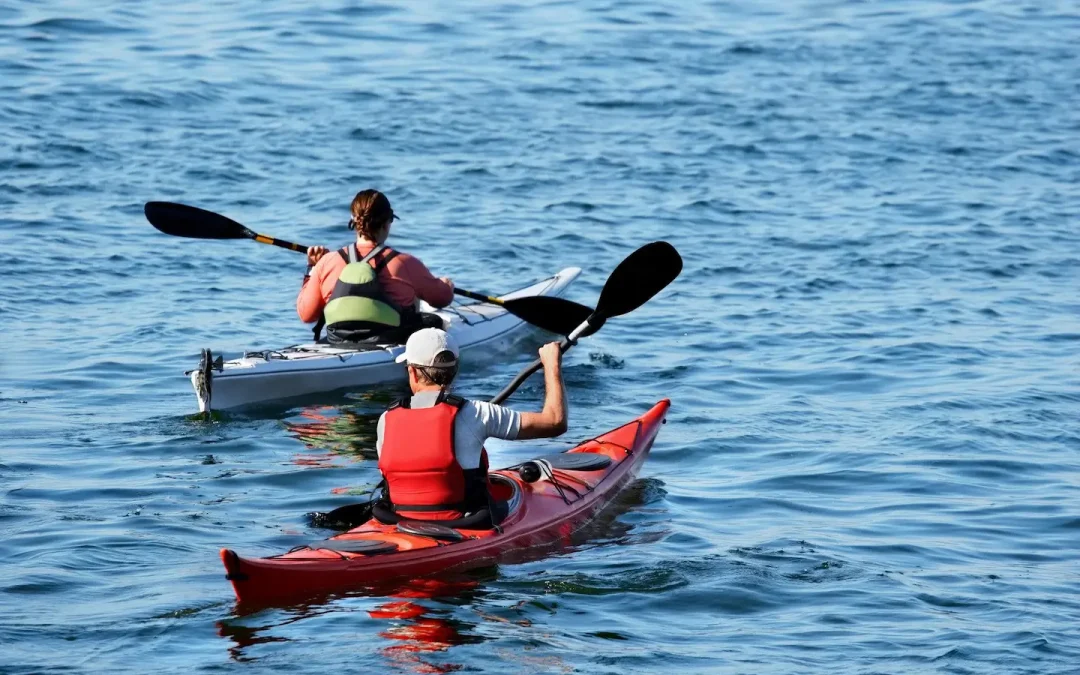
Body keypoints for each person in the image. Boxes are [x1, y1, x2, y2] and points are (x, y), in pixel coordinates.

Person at [375, 328, 568, 526]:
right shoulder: (477, 413)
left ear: (412, 372)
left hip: (398, 522)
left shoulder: (386, 420)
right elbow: (554, 422)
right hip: (464, 524)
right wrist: (552, 365)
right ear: (455, 371)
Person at [297, 189, 455, 343]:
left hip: (338, 341)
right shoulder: (404, 263)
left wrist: (312, 268)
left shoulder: (326, 262)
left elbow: (306, 315)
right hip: (390, 340)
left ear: (354, 221)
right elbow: (441, 298)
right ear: (387, 224)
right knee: (432, 320)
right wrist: (446, 285)